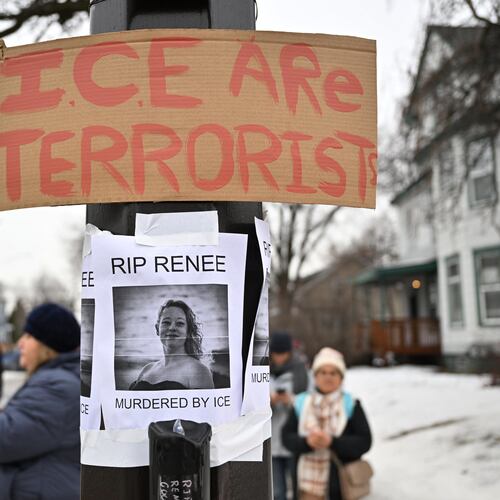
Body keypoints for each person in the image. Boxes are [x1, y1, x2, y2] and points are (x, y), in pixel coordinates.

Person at [0, 303, 81, 500]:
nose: (20, 343)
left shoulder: (59, 387)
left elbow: (6, 438)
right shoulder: (57, 380)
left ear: (47, 347)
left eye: (28, 336)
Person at [282, 348, 372, 500]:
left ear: (341, 377)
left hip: (340, 488)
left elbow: (365, 441)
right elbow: (286, 437)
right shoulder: (302, 403)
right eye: (322, 372)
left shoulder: (351, 404)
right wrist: (307, 442)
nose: (327, 377)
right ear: (315, 376)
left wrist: (333, 442)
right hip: (307, 488)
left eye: (333, 373)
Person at [130, 299, 214, 390]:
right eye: (166, 322)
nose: (172, 327)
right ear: (157, 329)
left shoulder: (199, 371)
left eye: (179, 323)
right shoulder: (146, 370)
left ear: (188, 332)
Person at [270, 331, 309, 500]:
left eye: (283, 353)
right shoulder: (262, 371)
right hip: (271, 441)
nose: (279, 357)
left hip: (295, 439)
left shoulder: (301, 371)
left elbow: (310, 400)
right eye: (276, 353)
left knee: (298, 489)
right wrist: (269, 401)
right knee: (277, 492)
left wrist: (291, 400)